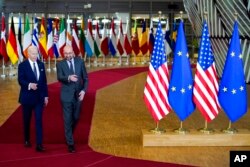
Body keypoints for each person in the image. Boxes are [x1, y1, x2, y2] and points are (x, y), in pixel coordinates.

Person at [56, 45, 88, 153]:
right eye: (66, 54)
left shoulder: (80, 61)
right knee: (67, 120)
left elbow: (86, 78)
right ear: (63, 54)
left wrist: (83, 91)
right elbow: (59, 77)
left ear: (73, 52)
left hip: (78, 96)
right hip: (66, 97)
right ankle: (70, 143)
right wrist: (69, 78)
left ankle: (68, 134)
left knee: (76, 117)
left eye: (70, 53)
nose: (68, 55)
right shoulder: (60, 64)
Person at [18, 45, 49, 152]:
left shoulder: (41, 64)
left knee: (39, 120)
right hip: (27, 98)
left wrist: (46, 96)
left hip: (39, 98)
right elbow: (20, 80)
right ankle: (27, 139)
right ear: (28, 54)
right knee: (27, 120)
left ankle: (39, 144)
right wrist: (30, 85)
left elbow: (44, 82)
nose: (35, 56)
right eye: (33, 54)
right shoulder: (22, 65)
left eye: (36, 53)